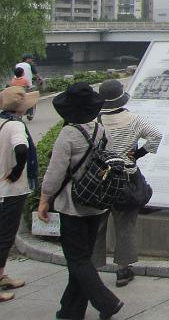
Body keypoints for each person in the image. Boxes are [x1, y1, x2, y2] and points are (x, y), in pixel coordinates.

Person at [38, 82, 124, 320]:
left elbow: (55, 173)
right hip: (97, 202)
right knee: (82, 259)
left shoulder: (68, 134)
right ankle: (70, 310)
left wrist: (44, 200)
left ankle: (107, 302)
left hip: (73, 204)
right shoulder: (100, 129)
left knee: (76, 259)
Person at [92, 79, 162, 287]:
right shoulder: (133, 119)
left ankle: (92, 265)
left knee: (97, 223)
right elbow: (156, 135)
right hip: (126, 178)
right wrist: (138, 153)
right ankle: (123, 269)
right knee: (125, 224)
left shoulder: (96, 121)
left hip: (101, 178)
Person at [0, 86, 39, 303]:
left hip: (2, 190)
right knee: (5, 237)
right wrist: (16, 172)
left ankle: (2, 275)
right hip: (10, 191)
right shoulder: (15, 125)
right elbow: (21, 149)